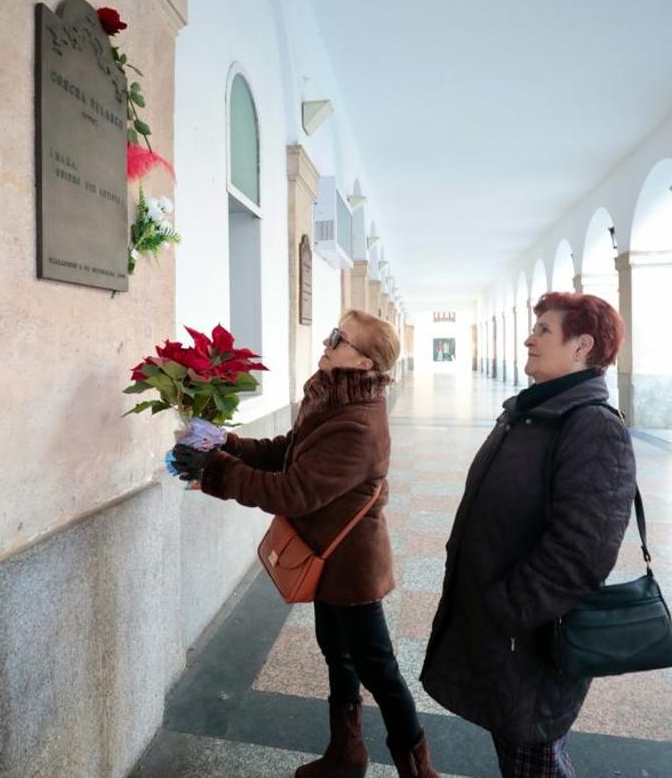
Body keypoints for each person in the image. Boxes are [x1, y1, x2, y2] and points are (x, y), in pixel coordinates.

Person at [173, 309, 441, 778]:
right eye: (332, 333)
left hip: (351, 567)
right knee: (337, 654)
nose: (326, 342)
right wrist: (228, 444)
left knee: (378, 669)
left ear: (364, 363)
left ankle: (418, 770)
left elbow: (291, 490)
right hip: (326, 555)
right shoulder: (334, 400)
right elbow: (288, 450)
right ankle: (346, 755)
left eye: (339, 339)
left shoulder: (356, 423)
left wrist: (215, 472)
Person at [420, 292, 636, 777]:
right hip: (510, 637)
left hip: (531, 642)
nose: (528, 339)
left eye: (543, 331)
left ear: (582, 347)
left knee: (533, 758)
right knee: (525, 754)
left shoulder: (592, 428)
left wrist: (503, 610)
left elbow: (581, 554)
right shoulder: (533, 414)